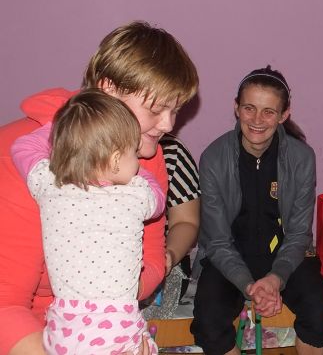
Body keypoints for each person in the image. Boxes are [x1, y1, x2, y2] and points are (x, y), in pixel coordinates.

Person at [0, 21, 199, 355]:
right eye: (155, 109)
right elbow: (5, 308)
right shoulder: (22, 158)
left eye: (175, 110)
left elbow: (150, 257)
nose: (168, 125)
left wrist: (110, 315)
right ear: (108, 89)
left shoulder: (144, 157)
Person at [191, 66, 323, 355]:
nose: (257, 120)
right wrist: (249, 286)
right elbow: (216, 241)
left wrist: (275, 278)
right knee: (208, 319)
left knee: (318, 308)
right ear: (236, 108)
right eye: (249, 108)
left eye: (269, 112)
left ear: (284, 115)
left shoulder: (301, 158)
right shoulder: (214, 158)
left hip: (287, 256)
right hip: (228, 258)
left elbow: (299, 234)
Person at [11, 90, 166, 354]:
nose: (138, 161)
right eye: (134, 152)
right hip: (117, 327)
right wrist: (141, 175)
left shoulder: (51, 184)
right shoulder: (136, 194)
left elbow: (22, 148)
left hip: (64, 329)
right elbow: (159, 200)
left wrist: (68, 132)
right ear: (115, 160)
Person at [142, 134, 201, 320]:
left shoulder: (171, 150)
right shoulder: (87, 144)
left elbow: (186, 221)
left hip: (163, 260)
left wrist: (170, 255)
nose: (166, 124)